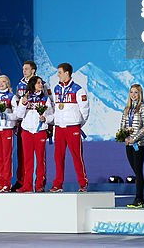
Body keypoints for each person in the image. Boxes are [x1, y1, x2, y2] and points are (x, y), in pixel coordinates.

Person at [50, 62, 89, 192]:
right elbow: (56, 107)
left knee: (77, 156)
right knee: (58, 157)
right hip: (59, 128)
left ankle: (83, 183)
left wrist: (77, 123)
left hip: (73, 128)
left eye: (60, 72)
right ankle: (58, 184)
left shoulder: (78, 89)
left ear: (67, 73)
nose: (58, 75)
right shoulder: (56, 88)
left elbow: (85, 110)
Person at [13, 74, 52, 192]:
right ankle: (27, 185)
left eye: (41, 83)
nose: (41, 85)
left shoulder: (46, 99)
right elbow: (19, 115)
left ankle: (40, 184)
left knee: (41, 160)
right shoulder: (25, 98)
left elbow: (51, 115)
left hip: (40, 132)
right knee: (27, 160)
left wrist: (46, 119)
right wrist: (23, 104)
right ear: (33, 85)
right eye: (39, 83)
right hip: (27, 132)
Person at [120, 84, 144, 208]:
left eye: (136, 92)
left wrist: (135, 138)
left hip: (139, 144)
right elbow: (122, 124)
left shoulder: (143, 108)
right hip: (128, 143)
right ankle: (140, 198)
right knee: (135, 170)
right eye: (131, 92)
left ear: (140, 94)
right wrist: (124, 137)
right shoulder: (126, 109)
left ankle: (139, 198)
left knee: (138, 171)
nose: (133, 95)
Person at [14, 61, 42, 191]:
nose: (24, 71)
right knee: (24, 155)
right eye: (23, 69)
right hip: (24, 124)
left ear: (33, 70)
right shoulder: (20, 84)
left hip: (39, 126)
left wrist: (47, 123)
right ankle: (24, 182)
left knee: (40, 158)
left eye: (26, 69)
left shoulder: (41, 84)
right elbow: (18, 106)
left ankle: (40, 182)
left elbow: (47, 105)